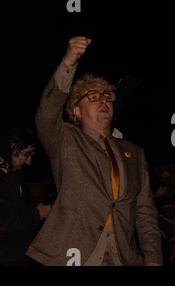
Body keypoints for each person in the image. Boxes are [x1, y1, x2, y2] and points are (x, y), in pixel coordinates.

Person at [26, 36, 162, 266]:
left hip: (123, 255)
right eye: (93, 96)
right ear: (76, 111)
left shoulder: (135, 153)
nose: (103, 100)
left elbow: (144, 211)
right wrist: (69, 62)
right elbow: (46, 113)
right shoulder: (65, 139)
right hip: (72, 254)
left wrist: (153, 258)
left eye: (108, 96)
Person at [0, 127, 51, 265]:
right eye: (26, 154)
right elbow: (4, 222)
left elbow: (17, 210)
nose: (29, 162)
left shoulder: (15, 172)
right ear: (13, 148)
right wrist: (37, 214)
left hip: (18, 254)